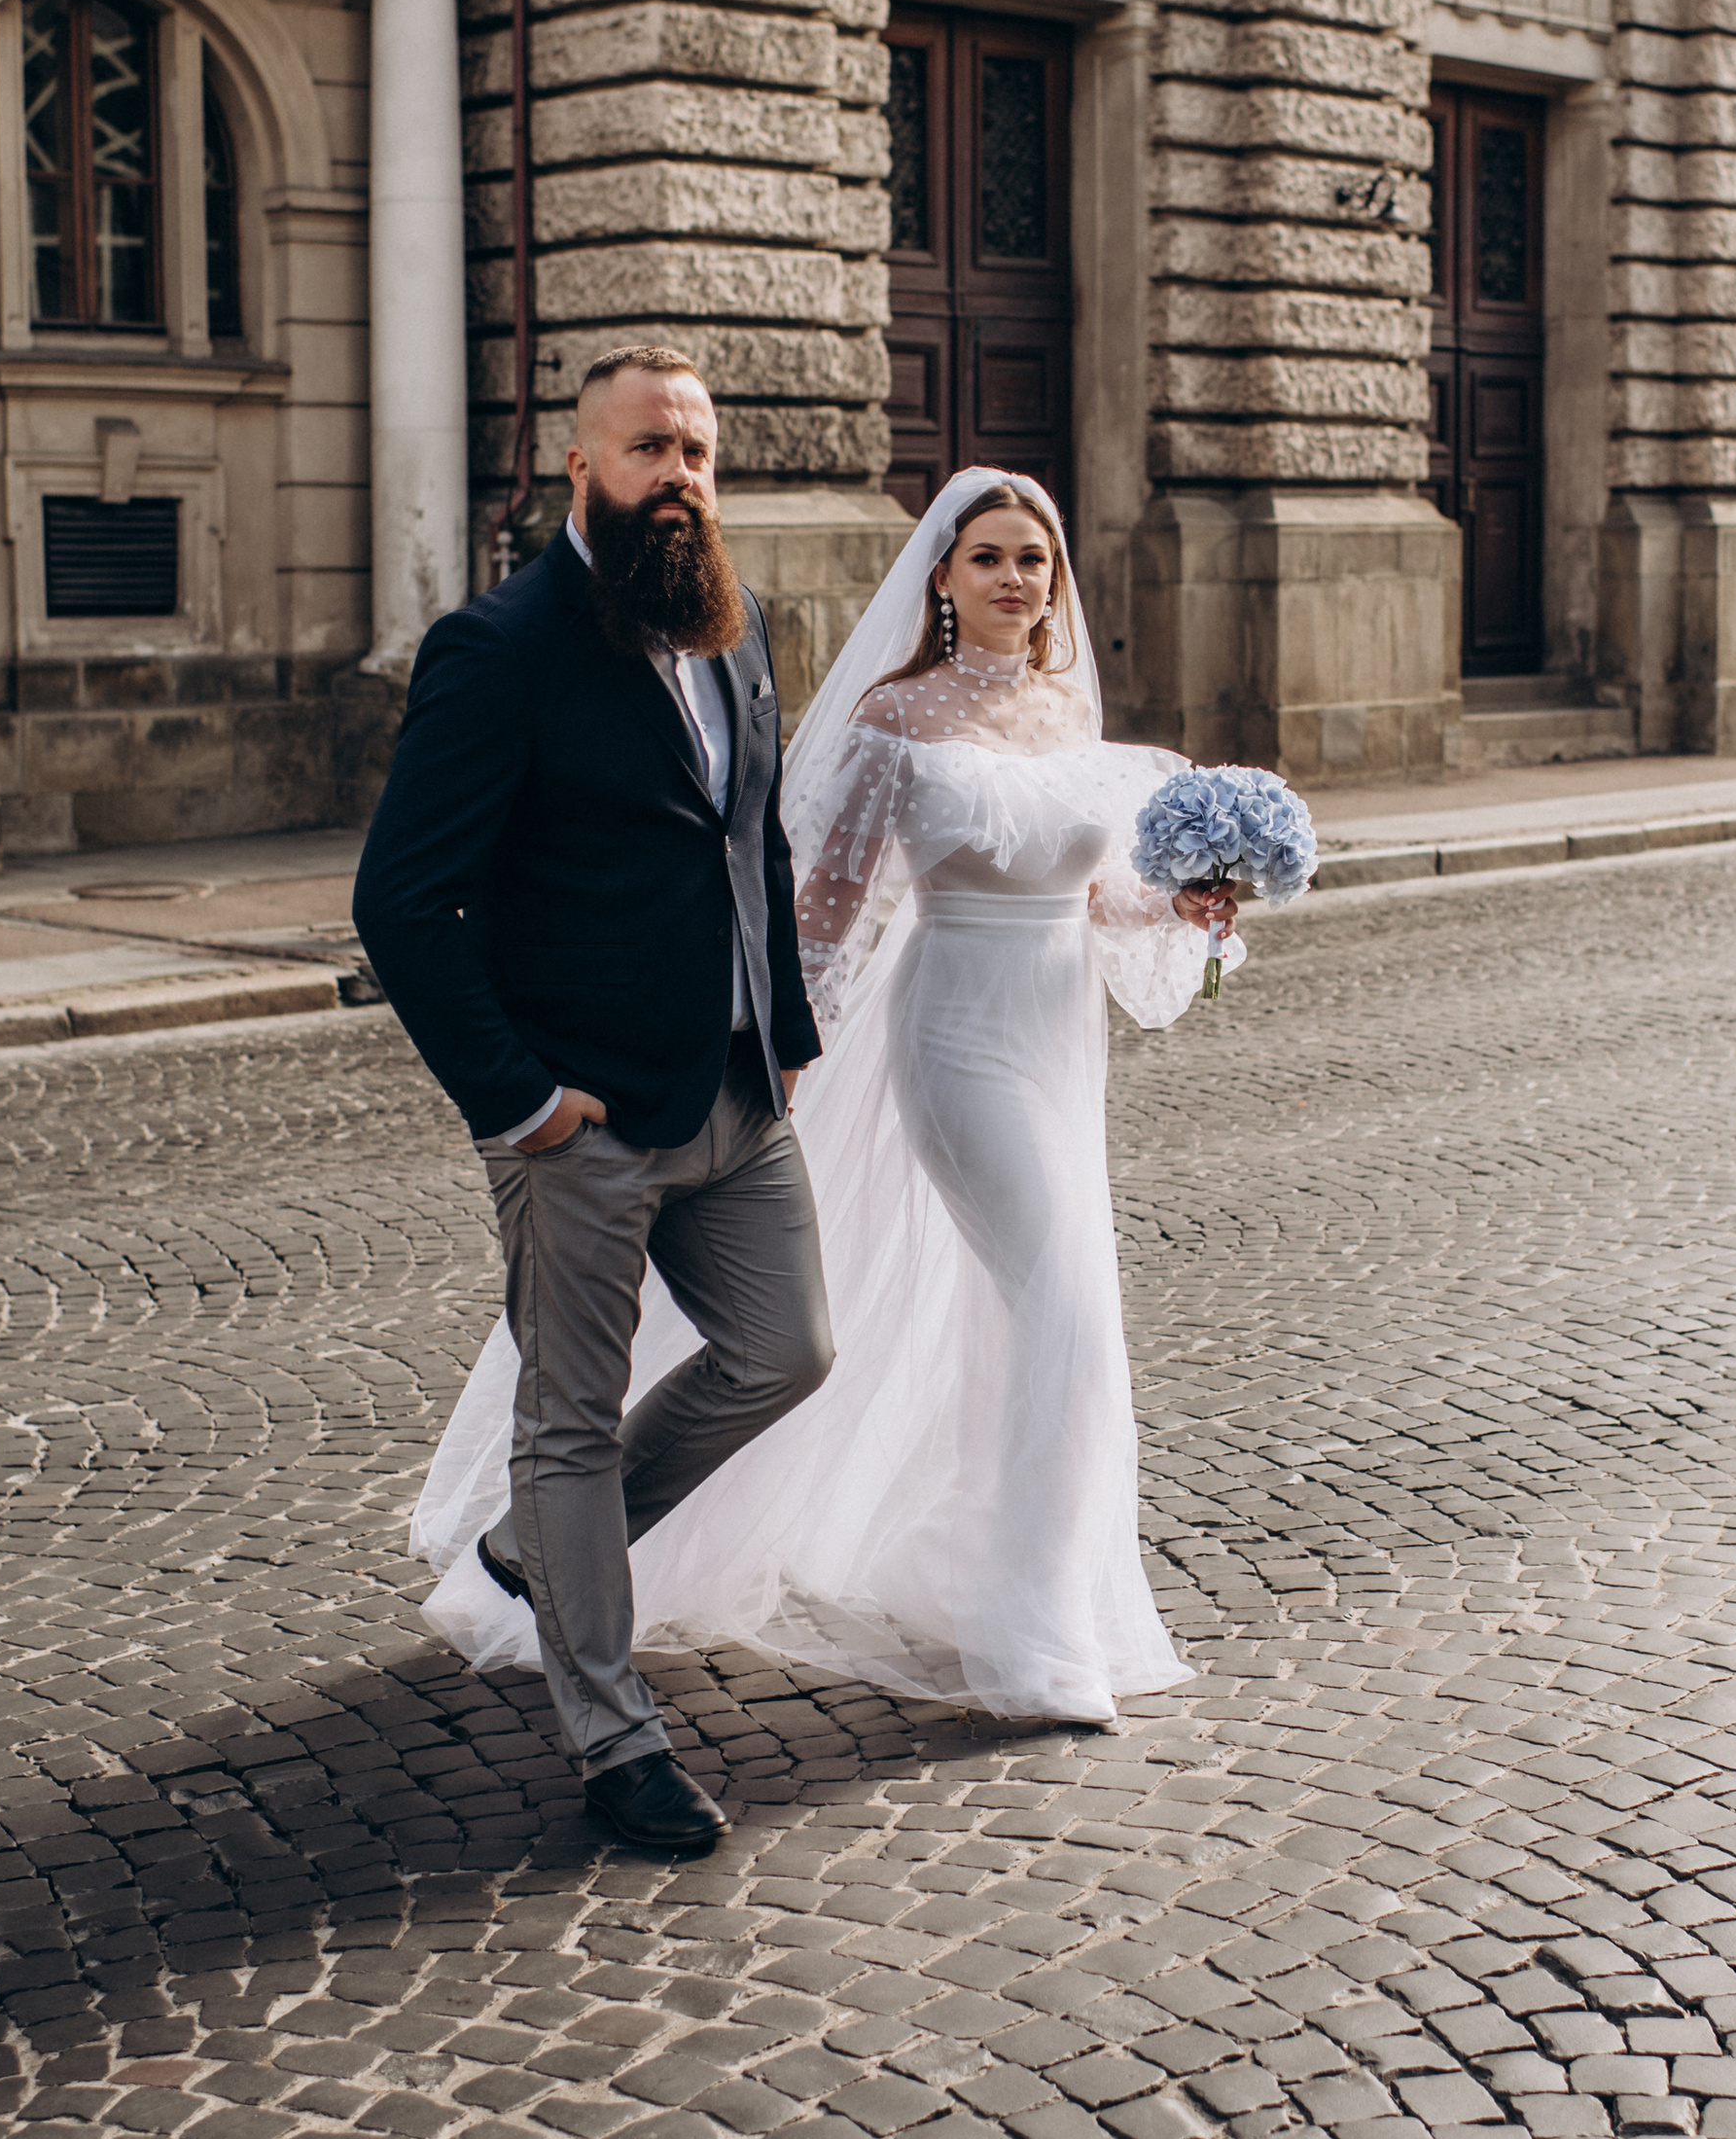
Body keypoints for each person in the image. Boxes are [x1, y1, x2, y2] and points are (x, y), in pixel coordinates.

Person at [414, 470, 1233, 1735]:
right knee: (1067, 1311)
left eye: (1034, 560)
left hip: (1060, 1042)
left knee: (1036, 1319)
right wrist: (769, 1060)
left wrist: (1179, 901)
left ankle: (997, 1571)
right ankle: (1040, 1638)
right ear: (942, 578)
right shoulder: (898, 715)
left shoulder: (1068, 709)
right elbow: (823, 916)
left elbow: (1087, 893)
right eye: (989, 557)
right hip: (958, 1042)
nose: (1016, 578)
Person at [353, 348, 832, 1859]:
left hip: (737, 1091)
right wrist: (519, 1099)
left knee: (788, 1350)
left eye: (697, 451)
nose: (678, 476)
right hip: (584, 1120)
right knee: (568, 1421)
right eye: (648, 449)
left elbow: (755, 844)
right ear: (582, 466)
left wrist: (787, 1024)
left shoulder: (737, 625)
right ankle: (617, 1744)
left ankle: (539, 1547)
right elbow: (399, 901)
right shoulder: (498, 648)